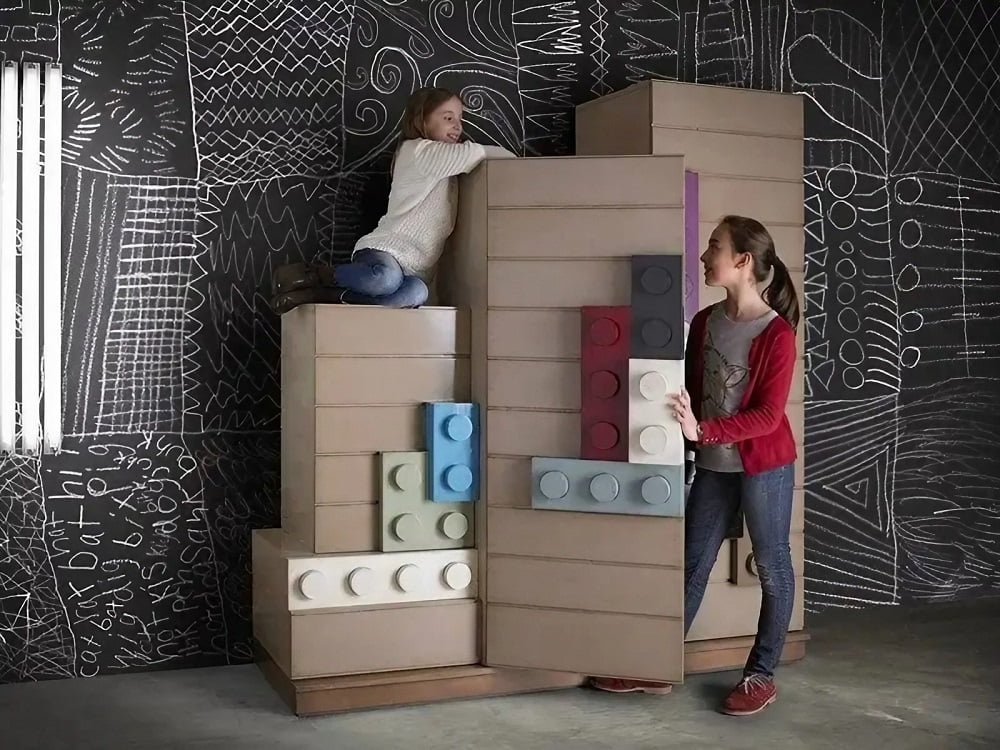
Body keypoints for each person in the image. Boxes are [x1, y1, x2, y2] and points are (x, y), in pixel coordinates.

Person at [591, 215, 800, 717]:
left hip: (763, 466)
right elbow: (687, 392)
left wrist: (702, 431)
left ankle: (761, 675)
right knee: (690, 565)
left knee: (772, 567)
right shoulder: (706, 322)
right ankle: (657, 666)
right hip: (711, 465)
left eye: (714, 247)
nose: (705, 257)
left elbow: (769, 417)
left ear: (742, 261)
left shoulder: (777, 334)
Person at [334, 86, 517, 307]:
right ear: (423, 120)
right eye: (448, 118)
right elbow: (478, 153)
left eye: (460, 119)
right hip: (386, 252)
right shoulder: (420, 151)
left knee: (417, 294)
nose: (458, 126)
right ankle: (323, 277)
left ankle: (340, 298)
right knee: (386, 279)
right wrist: (518, 161)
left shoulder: (442, 162)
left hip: (413, 268)